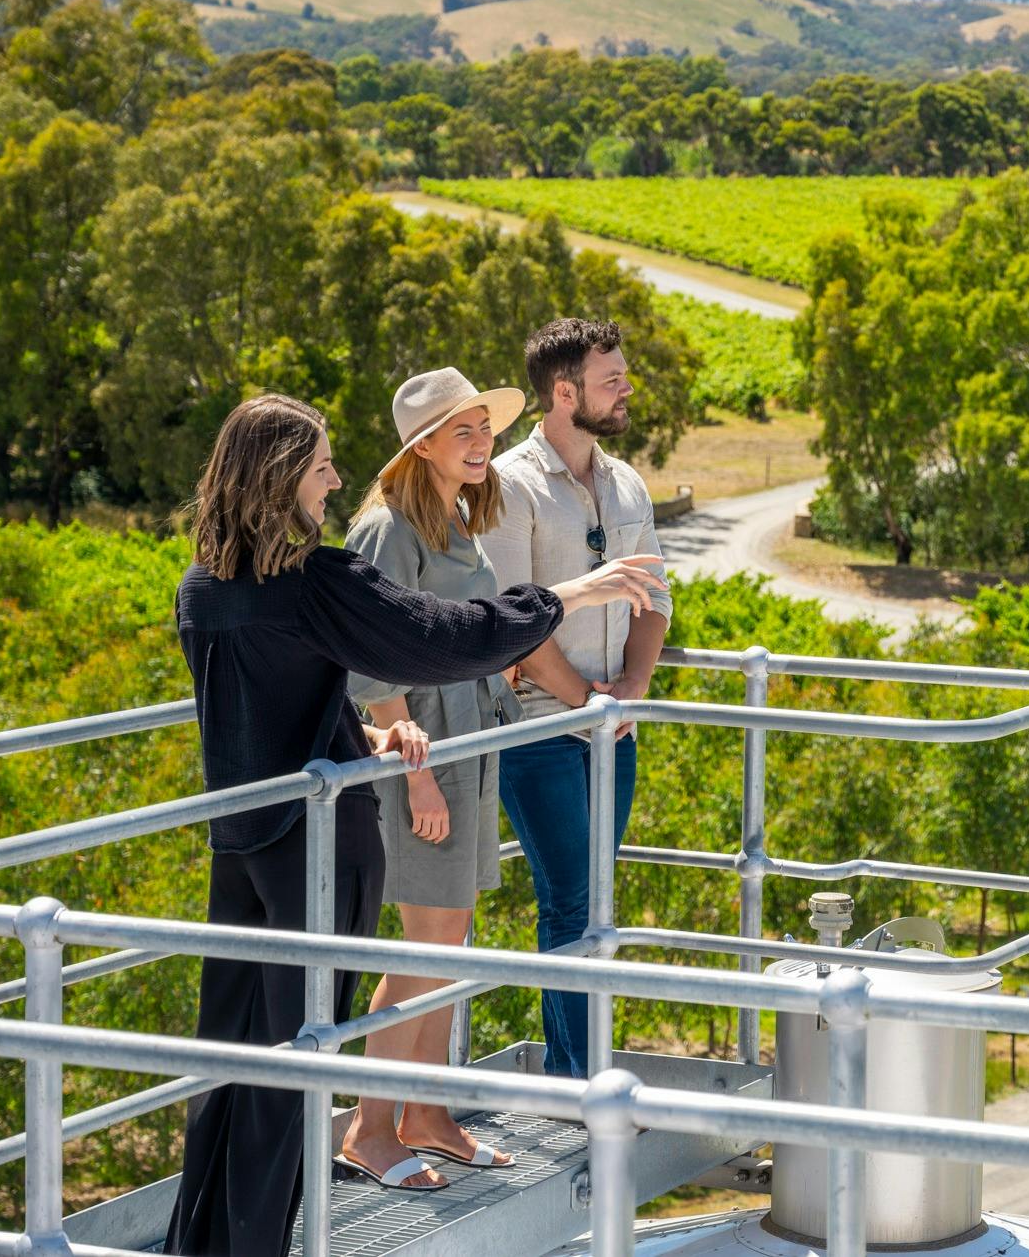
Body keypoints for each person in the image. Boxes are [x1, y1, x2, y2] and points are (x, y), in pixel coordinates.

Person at [167, 394, 666, 1256]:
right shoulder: (312, 581)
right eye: (320, 464)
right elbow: (441, 637)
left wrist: (361, 732)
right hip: (319, 853)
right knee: (303, 1062)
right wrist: (566, 595)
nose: (331, 479)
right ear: (281, 475)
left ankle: (204, 1239)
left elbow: (263, 714)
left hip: (241, 845)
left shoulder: (203, 589)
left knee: (233, 1060)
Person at [334, 368, 540, 1191]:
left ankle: (426, 1113)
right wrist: (414, 773)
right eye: (464, 430)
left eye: (485, 426)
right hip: (424, 760)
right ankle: (370, 1128)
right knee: (425, 945)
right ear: (421, 445)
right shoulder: (387, 527)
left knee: (449, 942)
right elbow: (366, 651)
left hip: (469, 747)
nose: (482, 439)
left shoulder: (449, 515)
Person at [481, 318, 673, 1079]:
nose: (626, 391)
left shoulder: (628, 482)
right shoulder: (508, 483)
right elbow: (508, 620)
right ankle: (580, 1083)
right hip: (537, 729)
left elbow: (655, 598)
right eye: (611, 380)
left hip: (613, 728)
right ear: (563, 394)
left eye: (623, 376)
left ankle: (581, 1073)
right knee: (569, 898)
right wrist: (583, 701)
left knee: (597, 905)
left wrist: (629, 691)